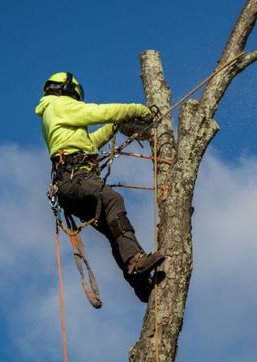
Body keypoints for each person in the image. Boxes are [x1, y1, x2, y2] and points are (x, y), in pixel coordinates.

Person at [35, 72, 164, 302]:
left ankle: (137, 279)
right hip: (77, 178)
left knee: (111, 228)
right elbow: (99, 111)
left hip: (70, 183)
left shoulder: (54, 114)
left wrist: (113, 126)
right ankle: (135, 260)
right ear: (68, 90)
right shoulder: (60, 105)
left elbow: (90, 144)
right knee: (113, 200)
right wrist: (138, 110)